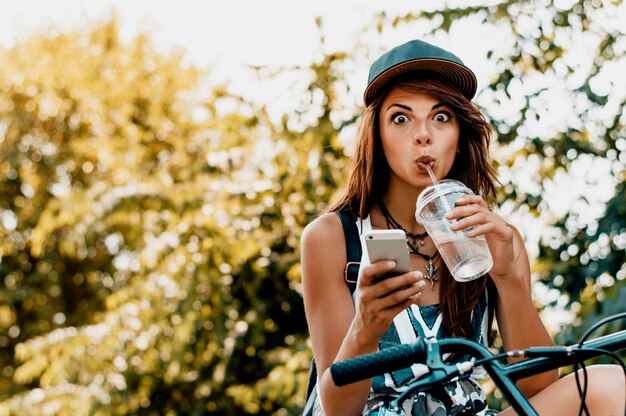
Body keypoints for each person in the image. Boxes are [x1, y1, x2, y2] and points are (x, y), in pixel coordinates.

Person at [301, 38, 625, 415]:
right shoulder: (332, 237)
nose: (423, 134)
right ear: (377, 136)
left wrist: (509, 277)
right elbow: (338, 410)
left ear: (460, 135)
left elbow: (536, 388)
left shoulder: (494, 236)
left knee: (608, 385)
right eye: (401, 118)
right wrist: (366, 328)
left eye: (441, 117)